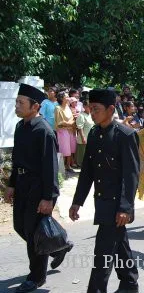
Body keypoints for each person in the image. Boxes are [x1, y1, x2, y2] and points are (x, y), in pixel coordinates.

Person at [69, 89, 140, 293]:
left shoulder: (125, 135)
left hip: (118, 205)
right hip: (102, 201)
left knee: (103, 252)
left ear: (110, 109)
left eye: (96, 109)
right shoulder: (94, 133)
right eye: (90, 109)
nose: (92, 113)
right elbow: (88, 172)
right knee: (119, 246)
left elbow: (131, 175)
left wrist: (125, 208)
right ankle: (129, 282)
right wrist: (77, 201)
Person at [5, 84, 72, 293]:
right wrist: (11, 184)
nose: (16, 106)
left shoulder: (44, 131)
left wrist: (48, 197)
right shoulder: (20, 127)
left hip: (38, 187)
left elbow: (50, 167)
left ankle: (36, 278)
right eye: (16, 102)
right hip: (23, 185)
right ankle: (57, 246)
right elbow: (17, 160)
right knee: (20, 226)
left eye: (20, 103)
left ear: (35, 107)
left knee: (34, 232)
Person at [54, 91, 77, 171]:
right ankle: (61, 168)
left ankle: (68, 166)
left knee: (70, 148)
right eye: (66, 97)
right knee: (63, 149)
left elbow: (72, 119)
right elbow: (60, 123)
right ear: (61, 98)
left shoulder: (68, 107)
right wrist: (70, 123)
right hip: (62, 131)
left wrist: (70, 123)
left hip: (70, 130)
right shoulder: (58, 108)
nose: (68, 98)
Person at [75, 100, 95, 167]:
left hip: (91, 137)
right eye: (89, 106)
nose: (90, 108)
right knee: (82, 153)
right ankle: (81, 166)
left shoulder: (91, 114)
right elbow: (80, 127)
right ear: (84, 106)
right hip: (83, 137)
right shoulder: (81, 115)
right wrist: (83, 137)